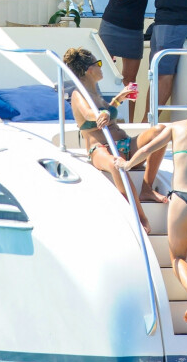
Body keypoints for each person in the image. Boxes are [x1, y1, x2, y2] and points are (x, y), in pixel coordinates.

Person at [116, 91, 187, 333]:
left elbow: (147, 149)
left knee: (177, 257)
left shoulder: (175, 127)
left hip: (182, 197)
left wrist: (127, 164)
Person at [63, 47, 167, 234]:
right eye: (99, 64)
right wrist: (100, 114)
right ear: (89, 69)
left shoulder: (96, 92)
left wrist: (118, 100)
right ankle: (139, 216)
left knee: (160, 132)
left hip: (125, 145)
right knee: (116, 164)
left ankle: (146, 188)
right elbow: (88, 114)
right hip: (101, 150)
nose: (102, 68)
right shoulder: (79, 94)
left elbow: (105, 114)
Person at [98, 0, 164, 122]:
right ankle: (101, 119)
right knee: (102, 76)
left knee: (131, 81)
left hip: (134, 28)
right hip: (112, 24)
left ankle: (128, 123)